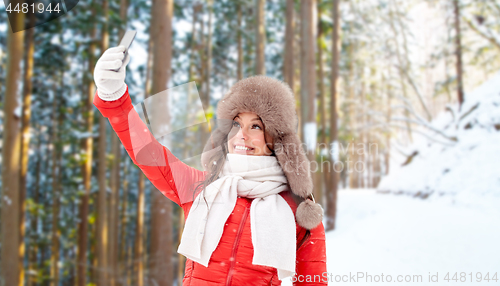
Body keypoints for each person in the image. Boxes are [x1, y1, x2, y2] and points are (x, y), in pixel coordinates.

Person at [93, 45, 327, 285]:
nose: (241, 135)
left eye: (255, 126)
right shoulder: (201, 188)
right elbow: (147, 152)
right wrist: (115, 97)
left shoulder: (300, 212)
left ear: (276, 139)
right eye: (236, 124)